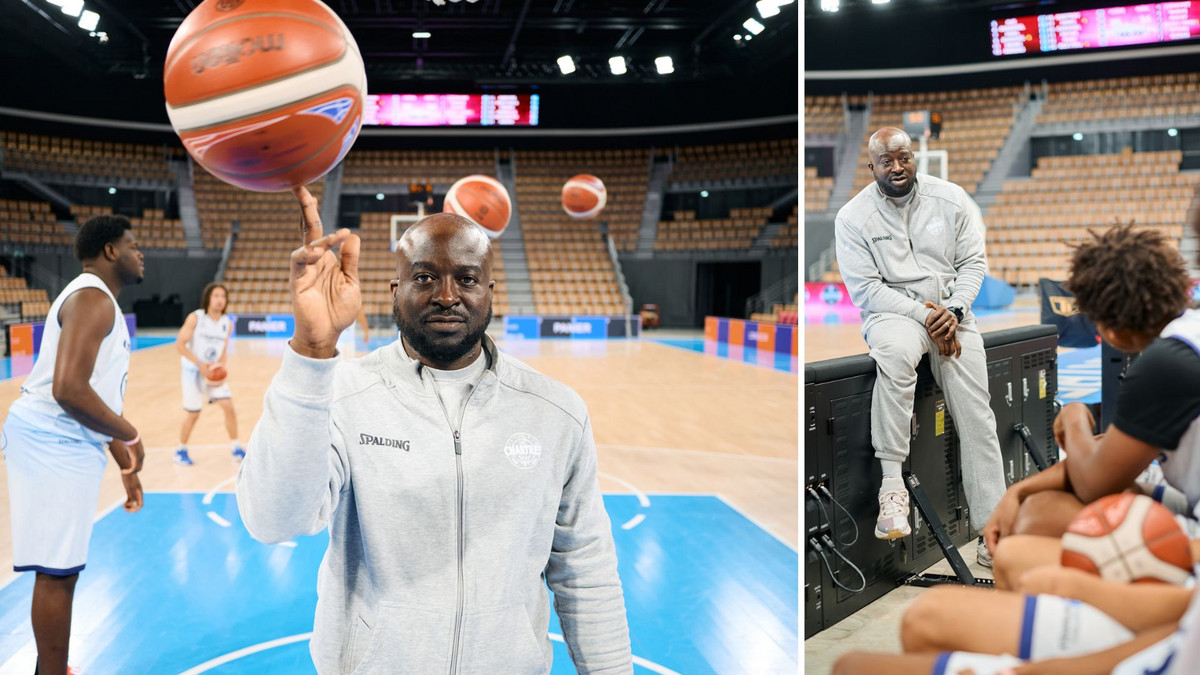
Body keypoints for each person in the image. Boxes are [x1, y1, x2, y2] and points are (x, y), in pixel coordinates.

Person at [235, 187, 632, 674]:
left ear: (490, 293)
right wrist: (312, 352)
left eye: (467, 278)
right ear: (395, 292)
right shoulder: (342, 395)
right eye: (425, 277)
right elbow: (272, 520)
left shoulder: (556, 412)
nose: (447, 296)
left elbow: (585, 569)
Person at [983, 224, 1197, 586]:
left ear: (1109, 331)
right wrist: (1018, 490)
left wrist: (1074, 415)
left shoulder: (1163, 364)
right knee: (1040, 506)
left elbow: (1094, 484)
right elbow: (1112, 454)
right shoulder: (1185, 334)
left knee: (1029, 534)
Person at [834, 127, 1006, 564]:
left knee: (977, 414)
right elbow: (867, 289)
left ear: (915, 157)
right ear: (871, 166)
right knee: (893, 354)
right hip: (894, 315)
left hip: (951, 314)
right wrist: (925, 317)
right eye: (886, 161)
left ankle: (994, 530)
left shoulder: (951, 199)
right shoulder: (853, 218)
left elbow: (972, 263)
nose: (897, 167)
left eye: (904, 157)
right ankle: (892, 485)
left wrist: (955, 310)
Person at [2, 215, 146, 674]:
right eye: (132, 244)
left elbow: (92, 394)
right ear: (109, 251)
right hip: (52, 441)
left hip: (64, 441)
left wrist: (125, 463)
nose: (140, 252)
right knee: (57, 572)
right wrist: (130, 432)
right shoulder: (92, 299)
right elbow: (68, 390)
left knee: (62, 570)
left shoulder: (97, 300)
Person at [175, 281, 243, 465]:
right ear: (208, 298)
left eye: (223, 296)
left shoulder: (226, 323)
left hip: (212, 372)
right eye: (216, 296)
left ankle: (236, 447)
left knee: (228, 406)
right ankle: (180, 450)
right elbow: (180, 345)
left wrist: (221, 369)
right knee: (193, 413)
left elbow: (223, 350)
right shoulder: (196, 318)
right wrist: (199, 364)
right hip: (192, 371)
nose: (220, 300)